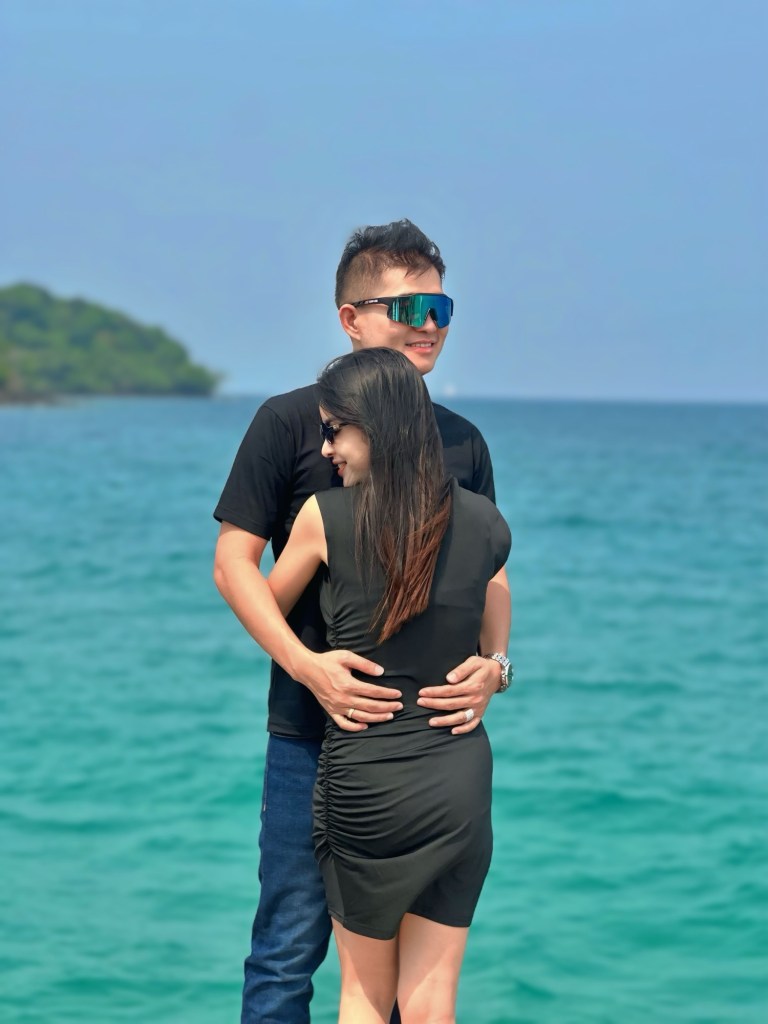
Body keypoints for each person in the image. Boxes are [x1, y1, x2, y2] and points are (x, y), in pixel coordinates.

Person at [213, 219, 511, 1024]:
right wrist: (306, 666)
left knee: (409, 988)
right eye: (409, 309)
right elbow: (234, 564)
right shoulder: (289, 424)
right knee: (286, 951)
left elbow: (492, 577)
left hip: (432, 742)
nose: (430, 326)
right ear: (351, 318)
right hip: (309, 734)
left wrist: (497, 667)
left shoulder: (463, 442)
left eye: (441, 309)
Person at [267, 348, 511, 1023]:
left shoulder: (325, 515)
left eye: (334, 431)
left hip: (366, 776)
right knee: (432, 1004)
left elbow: (265, 605)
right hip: (457, 774)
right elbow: (496, 596)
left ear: (371, 426)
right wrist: (497, 665)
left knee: (364, 998)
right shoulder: (484, 521)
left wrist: (308, 663)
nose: (327, 450)